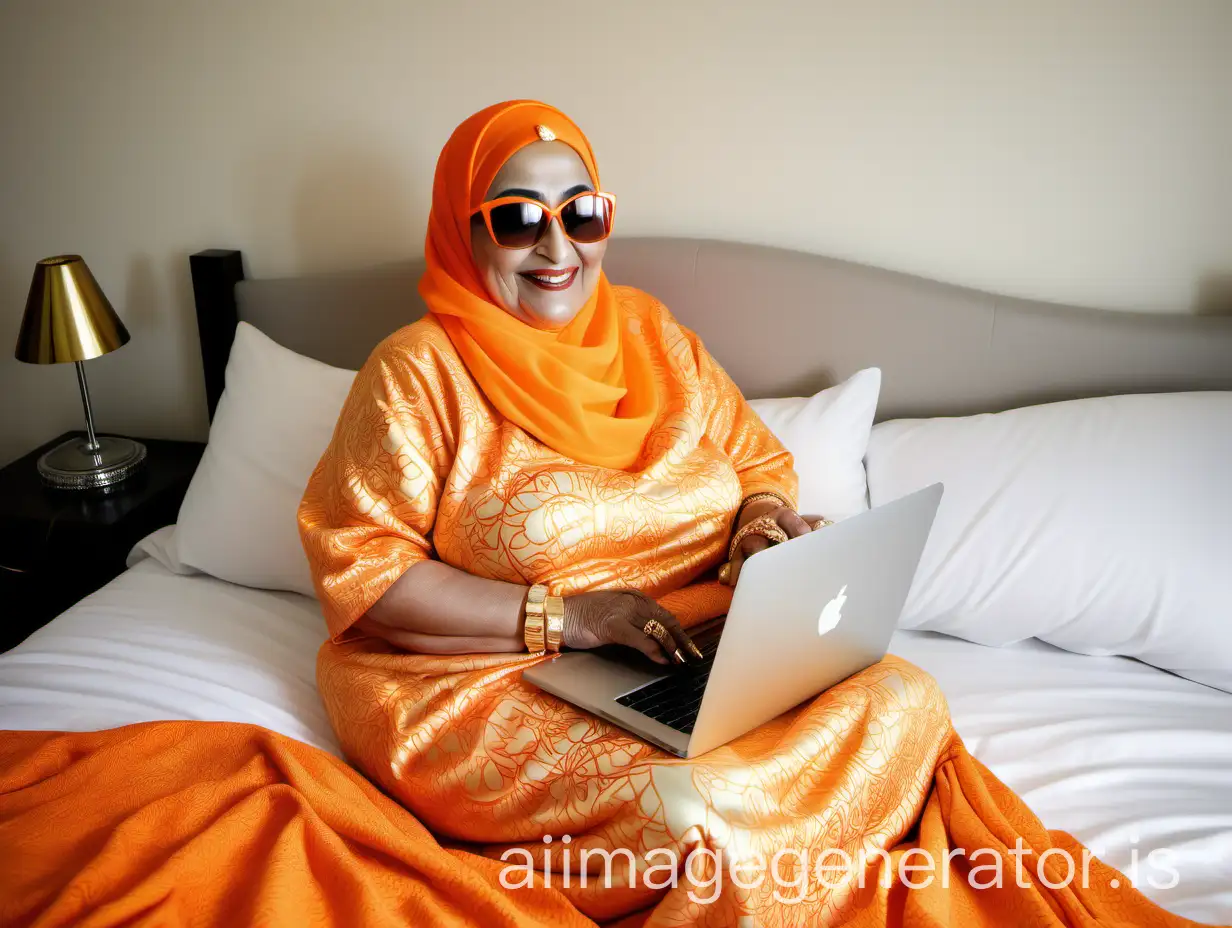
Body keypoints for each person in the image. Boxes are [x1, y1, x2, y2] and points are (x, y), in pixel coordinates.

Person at [297, 102, 1175, 926]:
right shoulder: (416, 373)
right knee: (695, 814)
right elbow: (365, 575)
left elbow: (755, 461)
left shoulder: (649, 334)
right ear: (466, 228)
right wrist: (571, 618)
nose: (557, 246)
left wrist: (760, 532)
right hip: (484, 676)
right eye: (520, 218)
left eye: (583, 214)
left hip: (690, 642)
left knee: (907, 699)